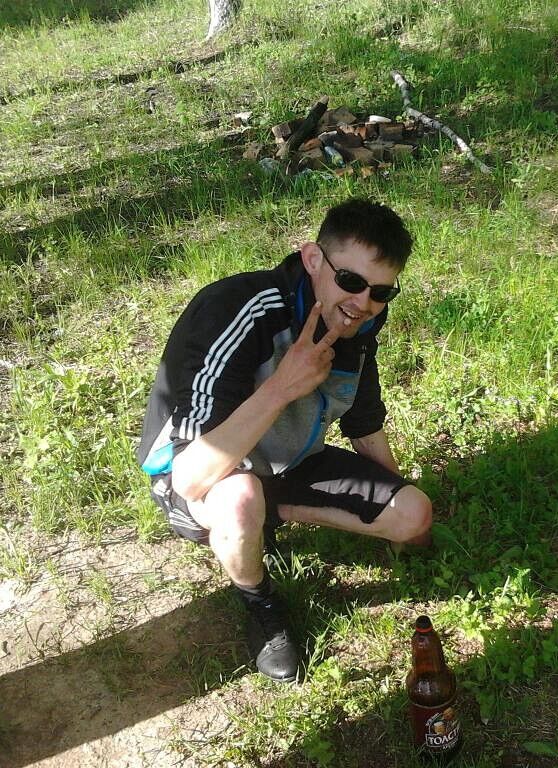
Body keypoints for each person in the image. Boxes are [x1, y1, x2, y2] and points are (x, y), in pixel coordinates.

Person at [137, 198, 432, 683]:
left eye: (381, 292)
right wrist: (281, 388)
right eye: (350, 281)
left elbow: (363, 418)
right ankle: (261, 604)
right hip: (209, 475)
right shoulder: (238, 310)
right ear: (313, 258)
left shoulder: (359, 319)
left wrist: (400, 504)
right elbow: (190, 477)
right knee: (240, 499)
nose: (363, 303)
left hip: (290, 461)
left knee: (413, 514)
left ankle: (270, 513)